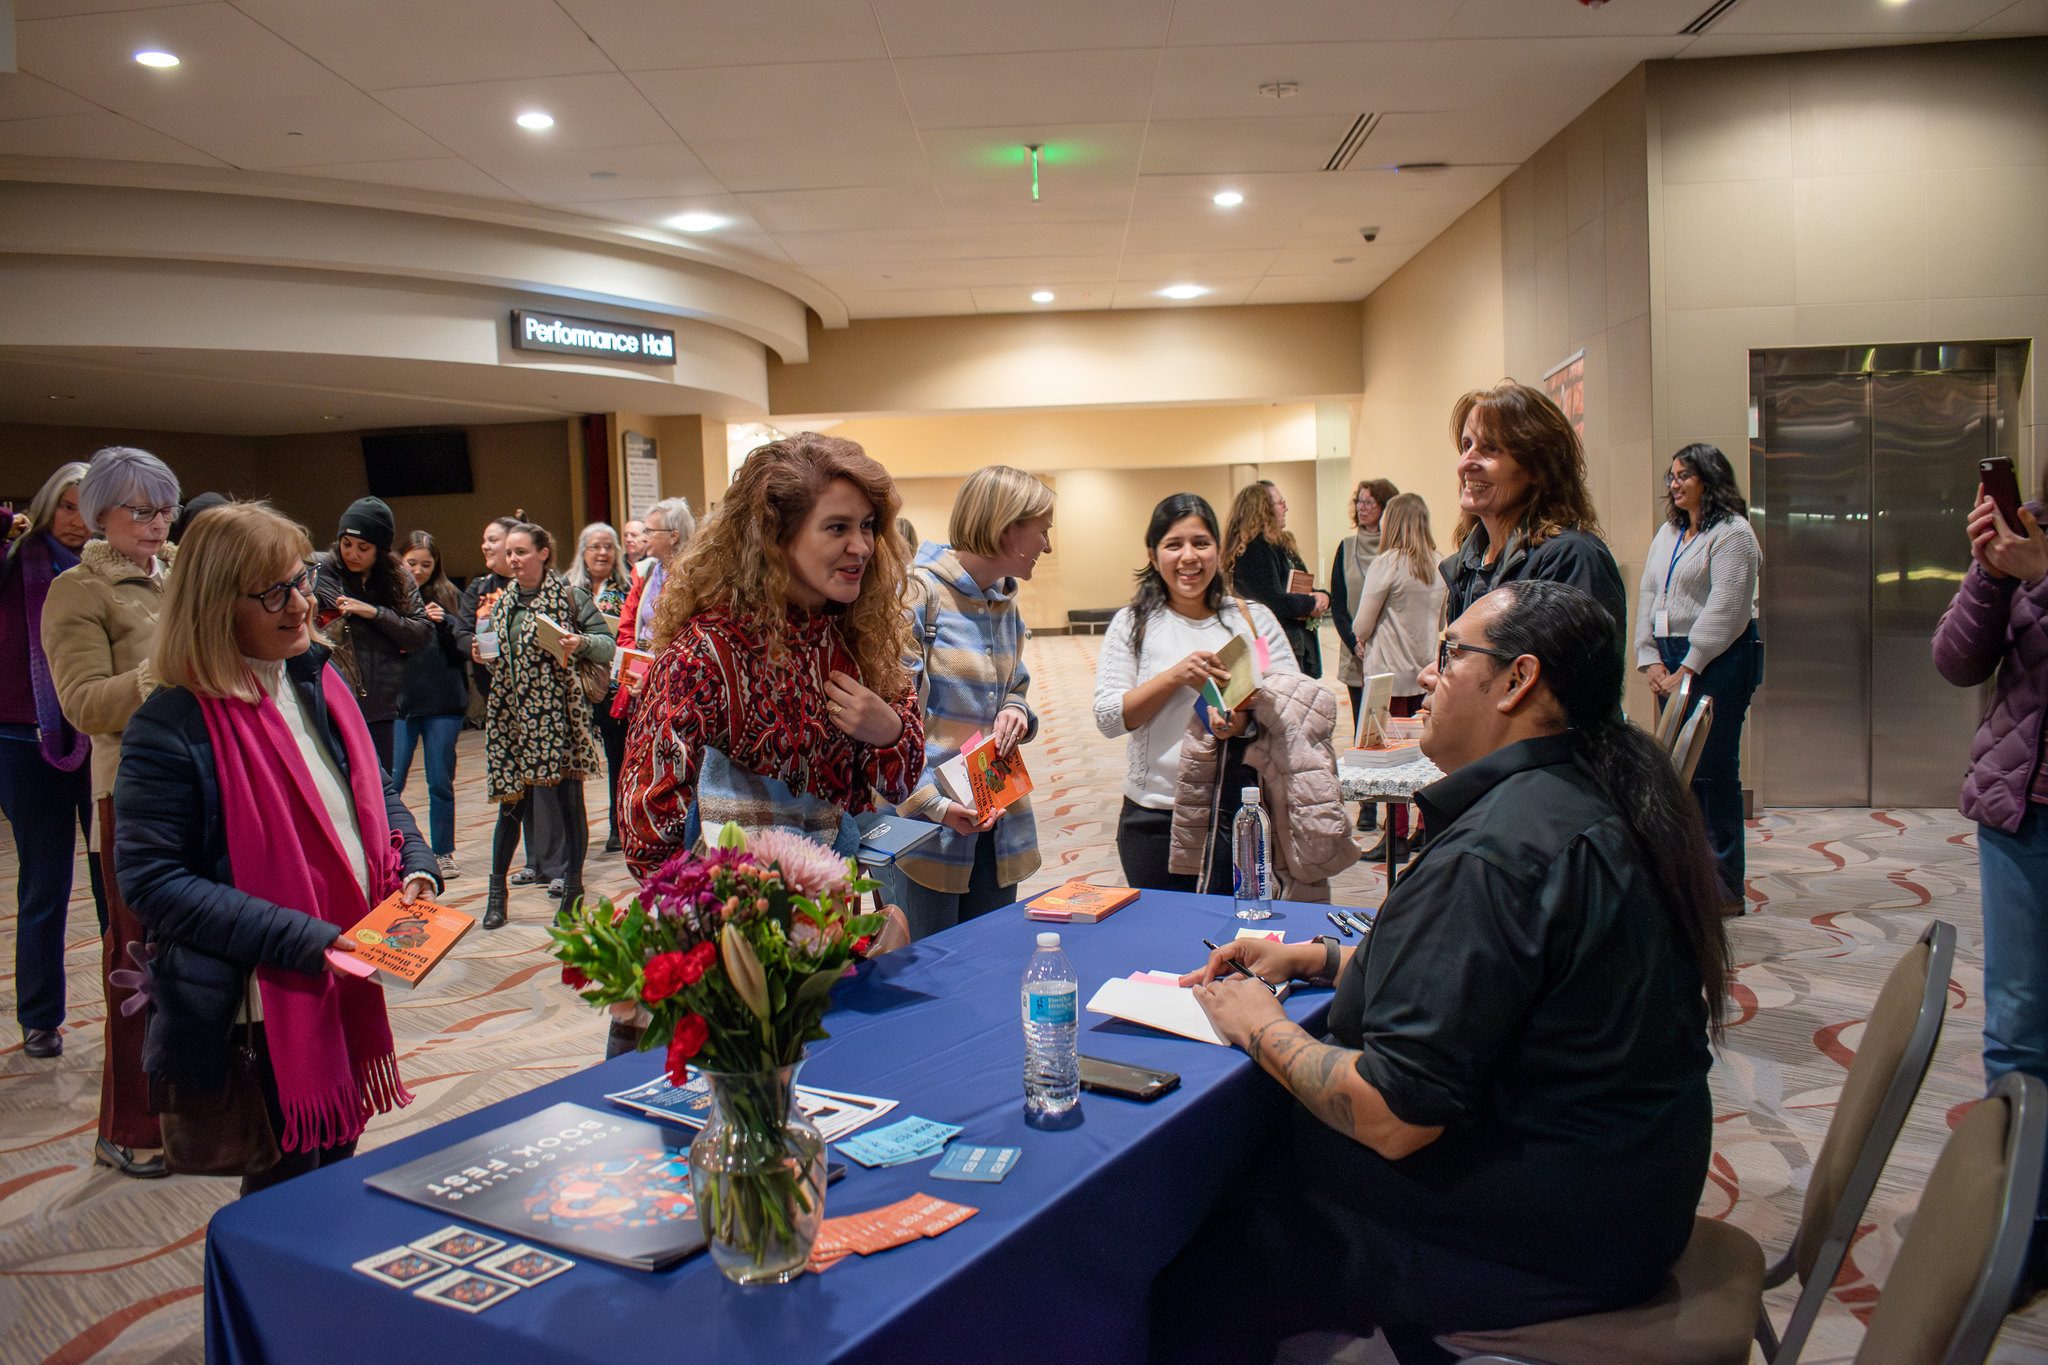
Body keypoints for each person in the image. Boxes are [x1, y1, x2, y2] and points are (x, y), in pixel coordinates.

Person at [1168, 580, 1728, 1363]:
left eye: (1449, 654)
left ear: (1517, 680)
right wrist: (1319, 957)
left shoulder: (1499, 850)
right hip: (1631, 1190)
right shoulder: (1590, 792)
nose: (1427, 676)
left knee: (1202, 1237)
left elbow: (1397, 1114)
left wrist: (1260, 1026)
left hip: (1550, 1239)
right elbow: (1505, 976)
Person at [114, 501, 437, 1195]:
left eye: (300, 581)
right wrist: (307, 938)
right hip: (261, 1002)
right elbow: (154, 883)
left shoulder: (312, 676)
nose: (300, 605)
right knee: (289, 1187)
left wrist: (414, 860)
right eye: (273, 593)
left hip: (342, 967)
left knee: (335, 1165)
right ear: (212, 607)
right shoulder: (169, 725)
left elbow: (370, 789)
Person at [621, 433, 925, 876]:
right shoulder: (702, 657)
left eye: (867, 525)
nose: (861, 546)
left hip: (843, 908)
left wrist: (889, 731)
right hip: (744, 923)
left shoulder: (858, 638)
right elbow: (647, 829)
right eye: (837, 527)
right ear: (774, 536)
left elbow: (901, 782)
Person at [43, 445, 181, 1179]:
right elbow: (84, 704)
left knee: (200, 960)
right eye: (141, 510)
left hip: (210, 782)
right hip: (132, 792)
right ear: (101, 513)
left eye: (165, 509)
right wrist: (163, 670)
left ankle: (197, 1111)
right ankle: (130, 1125)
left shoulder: (185, 571)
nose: (157, 524)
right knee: (140, 963)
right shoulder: (77, 590)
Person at [1933, 470, 2048, 1275]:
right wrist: (1990, 570)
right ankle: (2022, 1230)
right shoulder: (2031, 527)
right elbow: (1955, 659)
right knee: (2016, 1028)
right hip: (2023, 809)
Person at [881, 465, 1053, 939]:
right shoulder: (918, 595)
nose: (1047, 545)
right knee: (929, 975)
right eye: (1043, 530)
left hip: (994, 817)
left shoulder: (1004, 603)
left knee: (988, 963)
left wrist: (1016, 709)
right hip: (926, 827)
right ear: (1007, 527)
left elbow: (1014, 683)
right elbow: (887, 724)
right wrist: (933, 806)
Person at [1093, 493, 1295, 892]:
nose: (1190, 556)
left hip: (1239, 810)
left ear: (1218, 550)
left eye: (1201, 543)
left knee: (1238, 937)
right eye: (1174, 544)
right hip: (1154, 815)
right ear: (1153, 556)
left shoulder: (1251, 621)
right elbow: (1109, 718)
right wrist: (1175, 677)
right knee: (1165, 942)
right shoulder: (1133, 624)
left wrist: (1241, 721)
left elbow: (1290, 704)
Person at [1, 462, 106, 1059]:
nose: (76, 520)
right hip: (22, 742)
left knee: (113, 879)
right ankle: (40, 1017)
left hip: (100, 741)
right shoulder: (16, 560)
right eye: (65, 506)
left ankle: (131, 1004)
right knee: (45, 883)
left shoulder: (111, 571)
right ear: (45, 507)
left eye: (88, 508)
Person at [1633, 444, 1763, 908]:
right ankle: (1692, 880)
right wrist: (1649, 658)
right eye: (1671, 476)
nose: (1675, 484)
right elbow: (1649, 593)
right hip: (1671, 659)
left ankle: (1725, 887)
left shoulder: (1734, 533)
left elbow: (1726, 608)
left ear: (1710, 478)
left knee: (1713, 770)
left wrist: (1689, 666)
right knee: (1682, 772)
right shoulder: (1668, 532)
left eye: (1684, 475)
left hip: (1721, 657)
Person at [475, 522, 614, 929]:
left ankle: (573, 891)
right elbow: (499, 654)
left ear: (543, 553)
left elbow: (606, 644)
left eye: (521, 552)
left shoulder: (571, 596)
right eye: (509, 553)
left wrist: (579, 642)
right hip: (514, 723)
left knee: (572, 808)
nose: (513, 560)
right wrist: (484, 655)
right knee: (510, 809)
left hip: (561, 720)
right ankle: (496, 894)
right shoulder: (502, 605)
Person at [1441, 381, 1626, 631]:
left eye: (1490, 448)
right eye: (1467, 446)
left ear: (1538, 469)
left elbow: (1572, 669)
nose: (1465, 463)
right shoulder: (1469, 563)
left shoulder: (1572, 558)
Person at [1351, 492, 1447, 864]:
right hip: (1424, 673)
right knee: (1424, 753)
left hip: (1388, 674)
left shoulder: (1387, 563)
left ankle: (1396, 836)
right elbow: (1440, 622)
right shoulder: (1440, 564)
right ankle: (1426, 827)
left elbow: (1362, 622)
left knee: (1391, 758)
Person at [312, 496, 431, 775]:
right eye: (347, 544)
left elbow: (420, 632)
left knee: (381, 787)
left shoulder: (399, 577)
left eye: (363, 548)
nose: (352, 553)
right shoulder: (318, 570)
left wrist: (373, 612)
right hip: (330, 701)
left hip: (379, 704)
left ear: (381, 549)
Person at [393, 531, 472, 880]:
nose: (419, 571)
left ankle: (443, 852)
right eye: (412, 563)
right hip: (399, 702)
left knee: (440, 779)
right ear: (400, 561)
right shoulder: (389, 595)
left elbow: (465, 645)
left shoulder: (449, 595)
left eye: (427, 564)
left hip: (443, 702)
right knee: (391, 780)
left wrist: (446, 622)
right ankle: (390, 848)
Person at [1332, 477, 1398, 835]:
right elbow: (1339, 603)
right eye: (1359, 501)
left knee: (1391, 732)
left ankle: (1396, 807)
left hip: (1388, 654)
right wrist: (1355, 641)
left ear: (1386, 506)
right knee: (1364, 732)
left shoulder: (1398, 550)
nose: (1362, 507)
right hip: (1355, 652)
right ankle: (1368, 807)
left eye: (1370, 502)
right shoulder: (1347, 546)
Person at [568, 522, 632, 854]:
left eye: (609, 546)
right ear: (583, 551)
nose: (603, 552)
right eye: (595, 546)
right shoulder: (568, 588)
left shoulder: (627, 587)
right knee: (575, 760)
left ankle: (618, 826)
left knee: (616, 757)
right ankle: (574, 834)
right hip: (576, 684)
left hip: (614, 684)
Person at [1224, 479, 1325, 675]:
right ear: (1264, 509)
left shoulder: (1281, 545)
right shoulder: (1255, 549)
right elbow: (1271, 602)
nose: (1286, 508)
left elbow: (1301, 585)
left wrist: (1322, 596)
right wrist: (1311, 603)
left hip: (1294, 641)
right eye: (1281, 503)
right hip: (1277, 646)